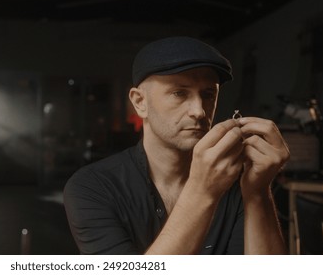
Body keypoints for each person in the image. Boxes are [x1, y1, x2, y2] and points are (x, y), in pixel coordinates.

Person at [63, 36, 290, 255]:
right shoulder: (92, 186)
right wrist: (203, 190)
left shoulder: (239, 181)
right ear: (140, 102)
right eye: (179, 93)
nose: (199, 111)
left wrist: (258, 191)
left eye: (208, 94)